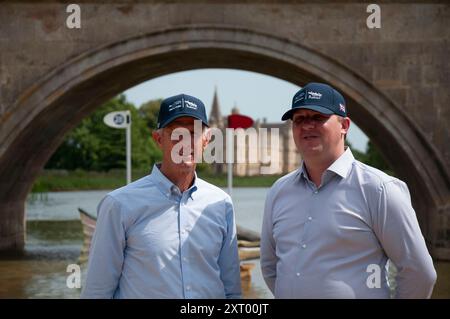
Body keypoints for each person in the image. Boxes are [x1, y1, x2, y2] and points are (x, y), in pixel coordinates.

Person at [260, 82, 437, 298]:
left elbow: (418, 273)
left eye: (317, 117)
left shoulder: (379, 189)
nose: (307, 125)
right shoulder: (279, 191)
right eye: (299, 119)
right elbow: (270, 267)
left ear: (344, 125)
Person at [81, 94, 241, 299]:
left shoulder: (221, 203)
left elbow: (232, 291)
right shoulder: (118, 205)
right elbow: (97, 292)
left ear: (206, 140)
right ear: (159, 139)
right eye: (176, 133)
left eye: (193, 133)